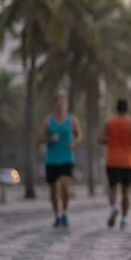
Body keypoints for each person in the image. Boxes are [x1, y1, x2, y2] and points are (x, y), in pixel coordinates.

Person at [38, 94, 83, 228]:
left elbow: (79, 134)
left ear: (66, 105)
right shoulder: (48, 120)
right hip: (51, 159)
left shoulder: (72, 120)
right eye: (58, 104)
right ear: (55, 106)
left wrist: (75, 142)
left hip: (67, 158)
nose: (61, 106)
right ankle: (56, 215)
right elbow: (39, 137)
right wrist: (49, 139)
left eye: (63, 104)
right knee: (53, 190)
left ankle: (65, 212)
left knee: (64, 184)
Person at [99, 99, 131, 230]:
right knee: (125, 191)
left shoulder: (109, 122)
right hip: (128, 161)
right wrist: (130, 143)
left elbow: (100, 138)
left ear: (116, 108)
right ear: (127, 108)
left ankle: (114, 207)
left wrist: (110, 141)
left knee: (113, 187)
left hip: (112, 160)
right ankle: (124, 219)